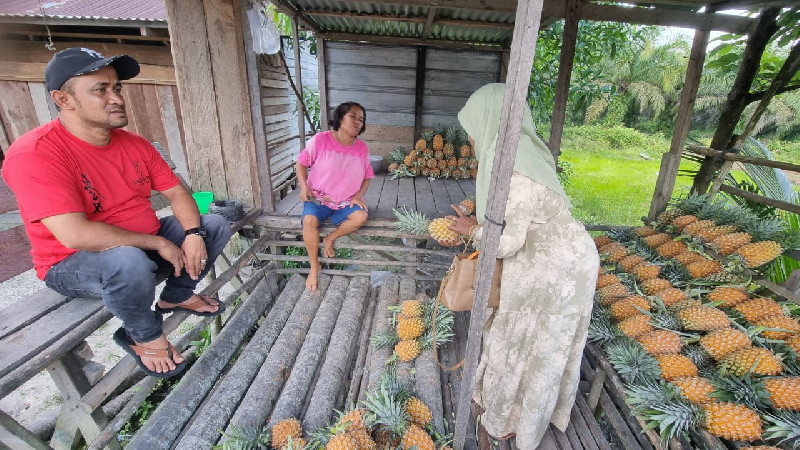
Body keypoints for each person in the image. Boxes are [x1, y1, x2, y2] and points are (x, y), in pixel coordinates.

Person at [1, 47, 233, 378]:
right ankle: (142, 333)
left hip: (141, 246)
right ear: (63, 100)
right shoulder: (36, 153)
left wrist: (193, 235)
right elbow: (75, 235)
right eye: (101, 90)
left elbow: (178, 193)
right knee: (128, 260)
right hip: (71, 261)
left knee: (214, 224)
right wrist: (158, 244)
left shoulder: (135, 144)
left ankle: (174, 297)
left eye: (117, 88)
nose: (116, 98)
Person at [442, 83, 599, 448]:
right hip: (553, 259)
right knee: (527, 338)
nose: (468, 135)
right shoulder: (521, 150)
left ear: (490, 116)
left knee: (528, 341)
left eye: (471, 124)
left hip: (556, 269)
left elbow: (508, 239)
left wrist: (472, 230)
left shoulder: (509, 161)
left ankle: (512, 421)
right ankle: (504, 406)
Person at [296, 102, 372, 291]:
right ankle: (314, 267)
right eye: (352, 116)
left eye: (361, 119)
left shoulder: (362, 149)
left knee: (360, 216)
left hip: (346, 202)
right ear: (339, 118)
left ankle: (330, 238)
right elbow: (301, 163)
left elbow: (367, 177)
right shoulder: (321, 140)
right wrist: (304, 187)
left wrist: (358, 196)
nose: (357, 122)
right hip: (319, 199)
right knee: (309, 220)